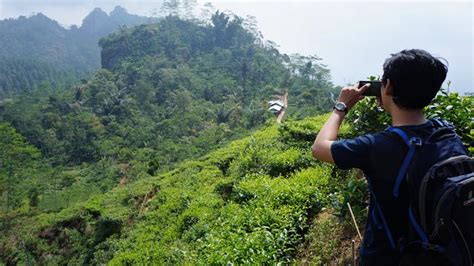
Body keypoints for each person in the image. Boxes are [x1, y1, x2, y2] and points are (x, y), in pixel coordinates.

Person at [311, 49, 468, 265]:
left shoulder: (377, 146)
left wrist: (341, 107)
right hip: (445, 254)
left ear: (388, 86)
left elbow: (319, 148)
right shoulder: (448, 136)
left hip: (389, 257)